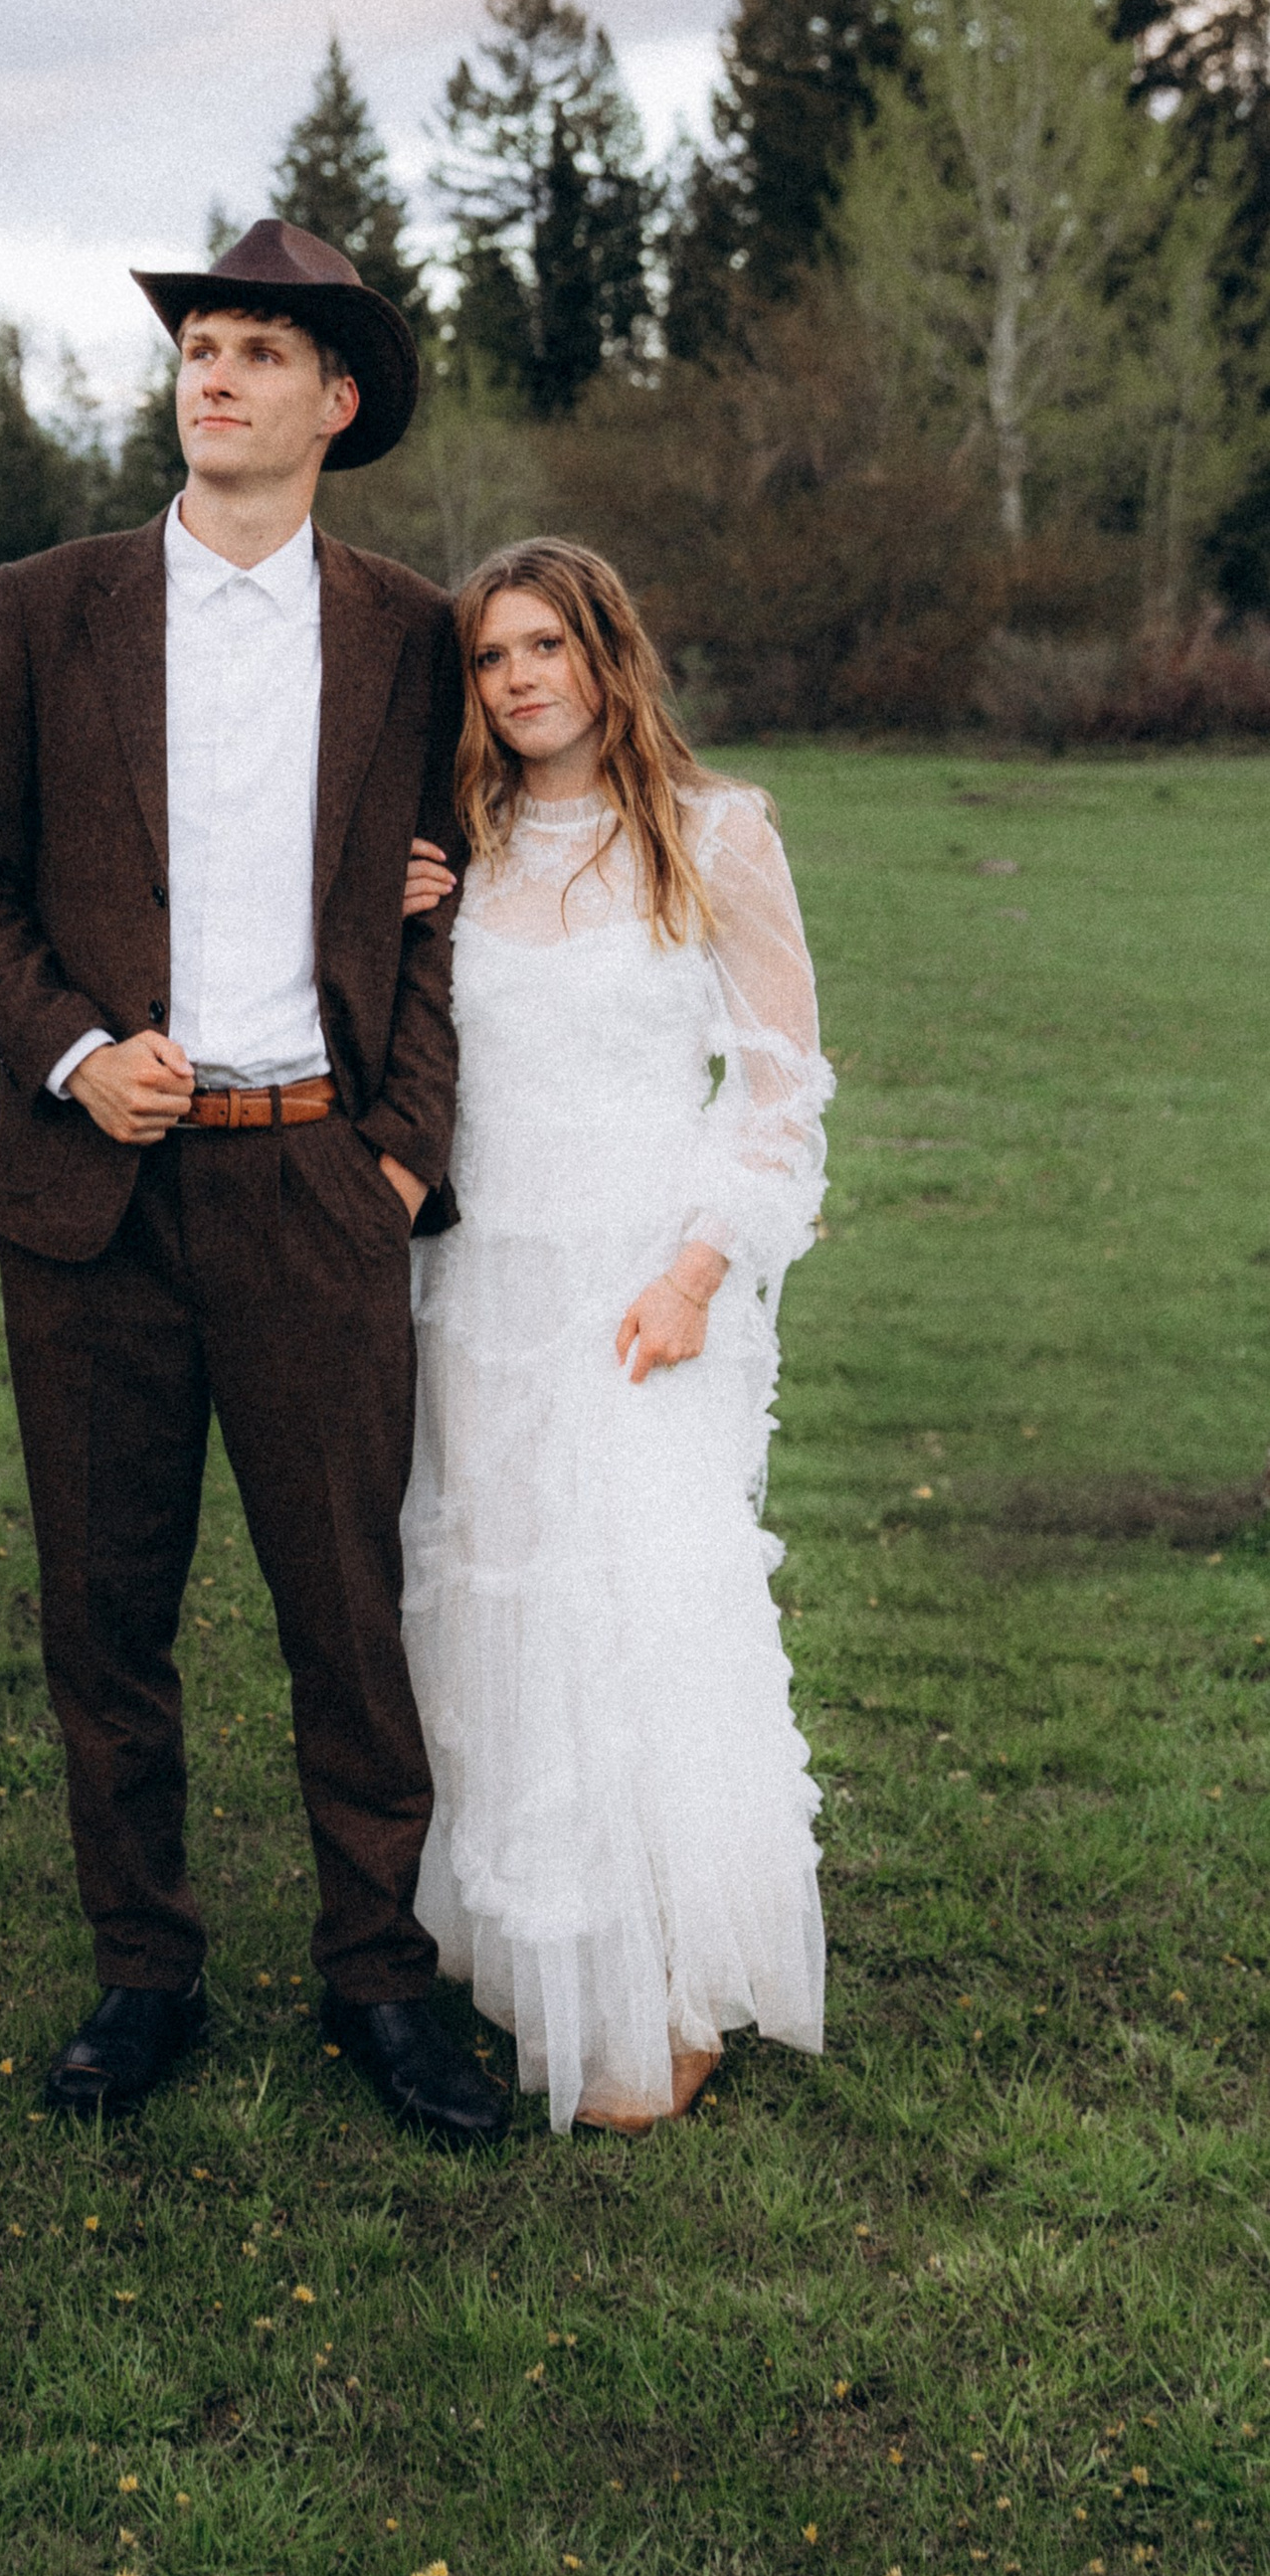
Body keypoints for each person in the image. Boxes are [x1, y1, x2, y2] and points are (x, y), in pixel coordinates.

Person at [0, 220, 502, 2146]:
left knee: (347, 1609)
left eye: (258, 352)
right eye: (198, 347)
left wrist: (398, 1151)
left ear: (335, 404)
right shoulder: (47, 605)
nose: (214, 375)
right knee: (105, 1608)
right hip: (95, 1207)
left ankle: (375, 1980)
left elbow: (445, 910)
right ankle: (142, 1970)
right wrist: (79, 1056)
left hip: (317, 1189)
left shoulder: (413, 636)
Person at [394, 539, 829, 2135]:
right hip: (483, 1292)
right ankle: (531, 1945)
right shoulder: (460, 850)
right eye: (491, 657)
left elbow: (785, 1091)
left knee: (633, 1614)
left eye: (544, 647)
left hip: (643, 1293)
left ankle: (661, 1986)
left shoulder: (717, 837)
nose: (517, 680)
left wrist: (701, 1271)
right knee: (498, 1614)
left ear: (606, 655)